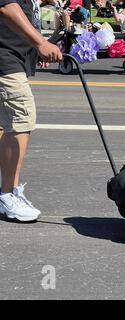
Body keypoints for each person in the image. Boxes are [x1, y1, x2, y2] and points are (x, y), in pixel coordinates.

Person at [0, 0, 63, 222]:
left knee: (5, 125)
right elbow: (7, 7)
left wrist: (35, 50)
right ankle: (8, 194)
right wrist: (39, 43)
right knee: (21, 120)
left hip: (12, 57)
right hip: (5, 60)